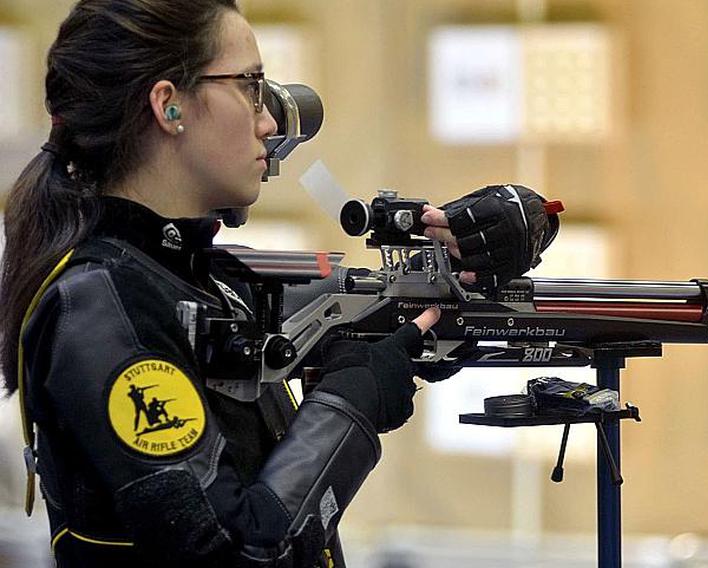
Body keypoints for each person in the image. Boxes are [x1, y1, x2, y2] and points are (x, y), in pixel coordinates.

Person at [0, 1, 559, 567]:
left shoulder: (198, 278)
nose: (268, 121)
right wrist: (354, 401)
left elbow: (391, 307)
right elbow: (240, 552)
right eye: (250, 87)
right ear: (169, 106)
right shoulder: (102, 306)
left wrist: (514, 227)